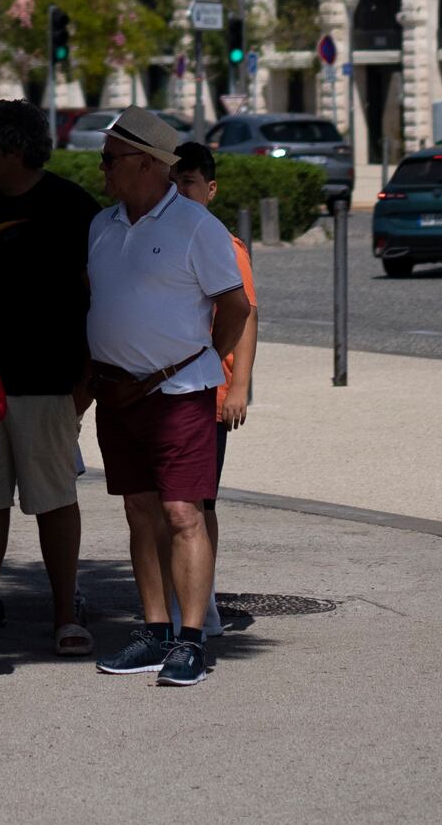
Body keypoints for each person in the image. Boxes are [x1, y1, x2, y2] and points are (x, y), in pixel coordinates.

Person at [82, 108, 250, 686]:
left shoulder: (196, 226)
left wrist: (206, 357)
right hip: (118, 393)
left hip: (179, 392)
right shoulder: (101, 225)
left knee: (183, 513)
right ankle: (153, 632)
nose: (101, 169)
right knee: (139, 510)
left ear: (149, 165)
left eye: (110, 159)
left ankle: (192, 639)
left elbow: (235, 306)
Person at [0, 96, 97, 652]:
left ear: (15, 151)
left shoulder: (71, 206)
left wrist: (87, 380)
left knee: (54, 499)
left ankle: (66, 615)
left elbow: (96, 297)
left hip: (49, 381)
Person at [168, 142, 258, 641]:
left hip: (210, 391)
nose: (180, 191)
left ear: (210, 189)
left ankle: (203, 603)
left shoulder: (223, 244)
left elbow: (245, 315)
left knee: (200, 503)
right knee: (175, 501)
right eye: (173, 182)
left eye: (189, 183)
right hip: (172, 389)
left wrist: (239, 386)